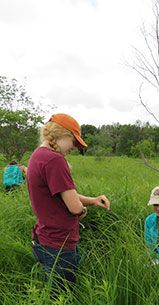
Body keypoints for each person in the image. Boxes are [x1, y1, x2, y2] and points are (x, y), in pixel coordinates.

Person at [27, 113, 110, 289]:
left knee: (53, 293)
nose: (73, 147)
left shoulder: (38, 155)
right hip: (60, 244)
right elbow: (74, 206)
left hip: (44, 239)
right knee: (62, 299)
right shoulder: (55, 160)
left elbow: (63, 195)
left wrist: (93, 200)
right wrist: (82, 210)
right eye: (73, 141)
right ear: (63, 135)